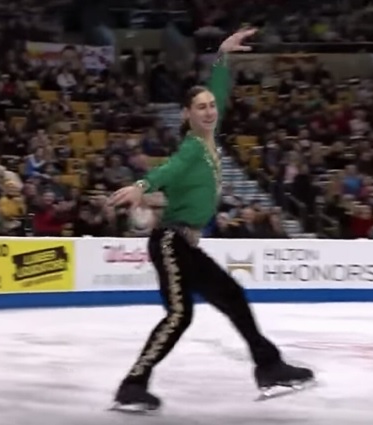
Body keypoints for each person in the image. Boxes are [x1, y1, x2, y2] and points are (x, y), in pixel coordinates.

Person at [107, 28, 314, 413]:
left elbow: (217, 91)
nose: (208, 110)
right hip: (170, 243)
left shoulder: (207, 142)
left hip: (184, 244)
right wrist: (142, 185)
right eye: (200, 107)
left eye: (210, 106)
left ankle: (269, 366)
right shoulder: (191, 148)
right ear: (186, 115)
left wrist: (222, 56)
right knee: (179, 315)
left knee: (229, 297)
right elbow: (168, 170)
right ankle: (133, 385)